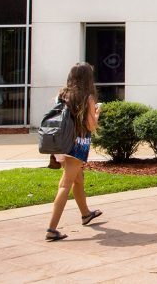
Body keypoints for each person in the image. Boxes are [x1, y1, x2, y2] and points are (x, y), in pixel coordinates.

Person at [46, 63, 103, 241]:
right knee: (65, 185)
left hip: (60, 144)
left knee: (79, 179)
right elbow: (90, 126)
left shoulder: (61, 95)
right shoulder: (87, 97)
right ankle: (51, 229)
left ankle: (85, 214)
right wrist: (97, 113)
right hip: (77, 145)